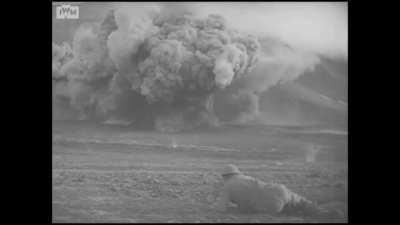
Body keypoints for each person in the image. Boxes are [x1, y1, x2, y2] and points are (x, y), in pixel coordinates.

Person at [212, 164, 343, 218]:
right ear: (236, 172)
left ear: (224, 176)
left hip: (269, 205)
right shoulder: (245, 177)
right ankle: (325, 213)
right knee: (301, 203)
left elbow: (219, 208)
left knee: (291, 213)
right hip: (279, 190)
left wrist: (212, 206)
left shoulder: (227, 186)